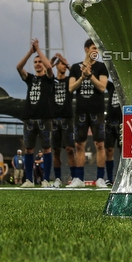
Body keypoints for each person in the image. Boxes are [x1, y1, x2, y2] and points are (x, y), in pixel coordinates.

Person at [68, 39, 108, 187]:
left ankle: (100, 178)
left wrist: (90, 75)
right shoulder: (74, 67)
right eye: (93, 48)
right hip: (80, 111)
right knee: (79, 145)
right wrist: (82, 76)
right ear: (86, 50)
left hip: (97, 111)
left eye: (97, 48)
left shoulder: (101, 67)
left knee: (99, 144)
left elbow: (102, 87)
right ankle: (78, 178)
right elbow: (71, 88)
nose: (95, 51)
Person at [16, 39, 54, 188]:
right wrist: (30, 53)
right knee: (29, 149)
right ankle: (29, 180)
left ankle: (45, 179)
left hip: (44, 117)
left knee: (46, 148)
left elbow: (50, 66)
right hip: (29, 118)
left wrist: (38, 50)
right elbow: (19, 67)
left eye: (40, 61)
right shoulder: (30, 79)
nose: (38, 63)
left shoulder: (48, 79)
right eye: (35, 62)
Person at [49, 53, 75, 187]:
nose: (64, 66)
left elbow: (76, 74)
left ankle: (75, 177)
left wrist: (67, 62)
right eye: (62, 64)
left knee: (70, 149)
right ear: (57, 66)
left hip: (67, 118)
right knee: (56, 150)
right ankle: (58, 178)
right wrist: (52, 61)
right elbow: (47, 71)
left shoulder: (69, 81)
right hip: (54, 119)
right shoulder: (51, 81)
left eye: (65, 65)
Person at [103, 79, 121, 185]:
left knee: (123, 151)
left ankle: (121, 177)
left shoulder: (126, 84)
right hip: (110, 121)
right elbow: (103, 79)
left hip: (122, 120)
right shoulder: (111, 86)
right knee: (109, 150)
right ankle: (110, 178)